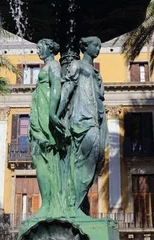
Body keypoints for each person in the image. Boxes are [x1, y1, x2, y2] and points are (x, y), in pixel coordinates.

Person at [58, 36, 108, 216]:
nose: (98, 49)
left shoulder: (96, 73)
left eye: (100, 46)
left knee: (96, 160)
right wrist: (56, 115)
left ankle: (78, 203)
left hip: (96, 121)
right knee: (81, 163)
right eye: (96, 45)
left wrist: (102, 121)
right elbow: (66, 91)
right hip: (81, 121)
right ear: (85, 46)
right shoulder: (77, 66)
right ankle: (73, 206)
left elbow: (100, 101)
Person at [29, 39, 67, 217]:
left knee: (46, 157)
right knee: (40, 158)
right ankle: (48, 203)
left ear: (50, 48)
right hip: (39, 113)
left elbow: (56, 88)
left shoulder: (54, 65)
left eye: (40, 47)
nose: (38, 51)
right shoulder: (48, 66)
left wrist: (52, 112)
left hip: (45, 114)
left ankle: (50, 203)